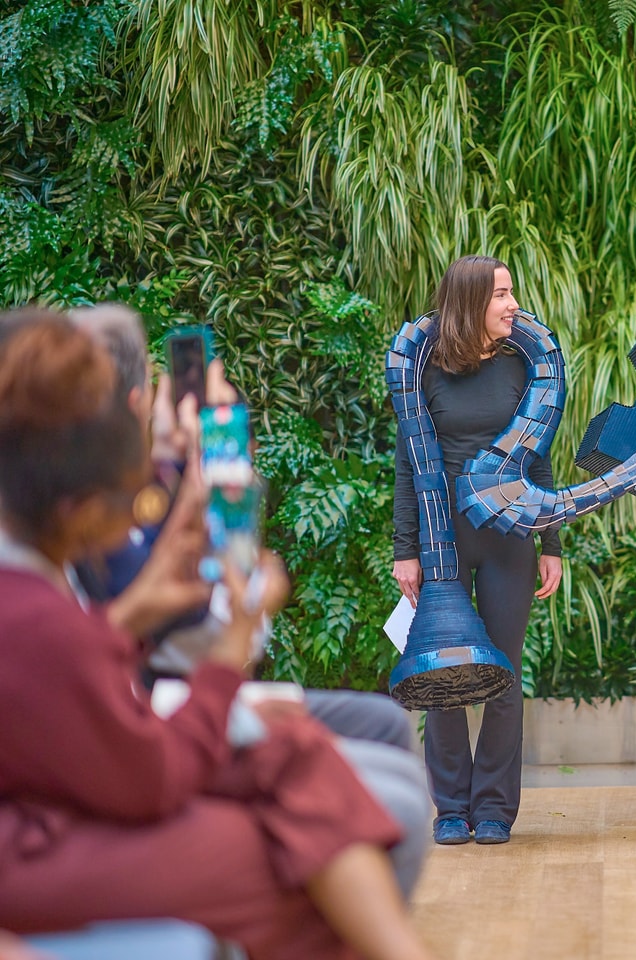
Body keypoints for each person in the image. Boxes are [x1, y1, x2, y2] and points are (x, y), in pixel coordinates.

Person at [0, 311, 434, 960]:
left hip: (67, 799)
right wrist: (227, 667)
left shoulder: (30, 584)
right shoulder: (32, 611)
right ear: (77, 507)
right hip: (41, 844)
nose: (130, 524)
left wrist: (151, 602)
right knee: (294, 845)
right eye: (130, 505)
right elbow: (148, 773)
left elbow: (80, 679)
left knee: (294, 762)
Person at [391, 255, 563, 845]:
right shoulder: (424, 371)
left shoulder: (521, 368)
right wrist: (405, 549)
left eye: (511, 292)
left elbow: (535, 458)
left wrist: (552, 541)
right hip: (443, 544)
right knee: (444, 674)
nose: (513, 304)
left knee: (503, 675)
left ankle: (494, 807)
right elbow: (407, 467)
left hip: (509, 538)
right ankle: (450, 808)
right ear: (468, 303)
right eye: (501, 295)